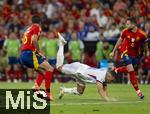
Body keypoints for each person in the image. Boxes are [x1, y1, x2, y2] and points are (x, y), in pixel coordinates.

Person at [56, 33, 116, 101]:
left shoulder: (105, 77)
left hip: (82, 75)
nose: (110, 82)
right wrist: (107, 100)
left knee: (79, 92)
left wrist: (109, 98)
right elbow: (100, 90)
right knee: (59, 67)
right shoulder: (101, 75)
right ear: (109, 75)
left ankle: (64, 90)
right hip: (79, 70)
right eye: (111, 80)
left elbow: (104, 90)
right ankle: (61, 44)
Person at [109, 17, 149, 99]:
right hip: (125, 52)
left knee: (129, 69)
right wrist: (113, 51)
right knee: (131, 71)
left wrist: (146, 52)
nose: (126, 26)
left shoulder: (142, 34)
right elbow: (119, 41)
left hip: (136, 55)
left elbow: (145, 44)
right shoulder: (125, 32)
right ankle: (139, 92)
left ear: (134, 24)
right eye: (126, 24)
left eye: (128, 24)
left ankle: (116, 70)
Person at [19, 15, 54, 101]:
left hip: (23, 55)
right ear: (40, 22)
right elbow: (34, 40)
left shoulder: (28, 29)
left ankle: (36, 88)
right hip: (29, 54)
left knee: (43, 72)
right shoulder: (37, 27)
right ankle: (48, 93)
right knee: (50, 68)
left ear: (31, 21)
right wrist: (39, 52)